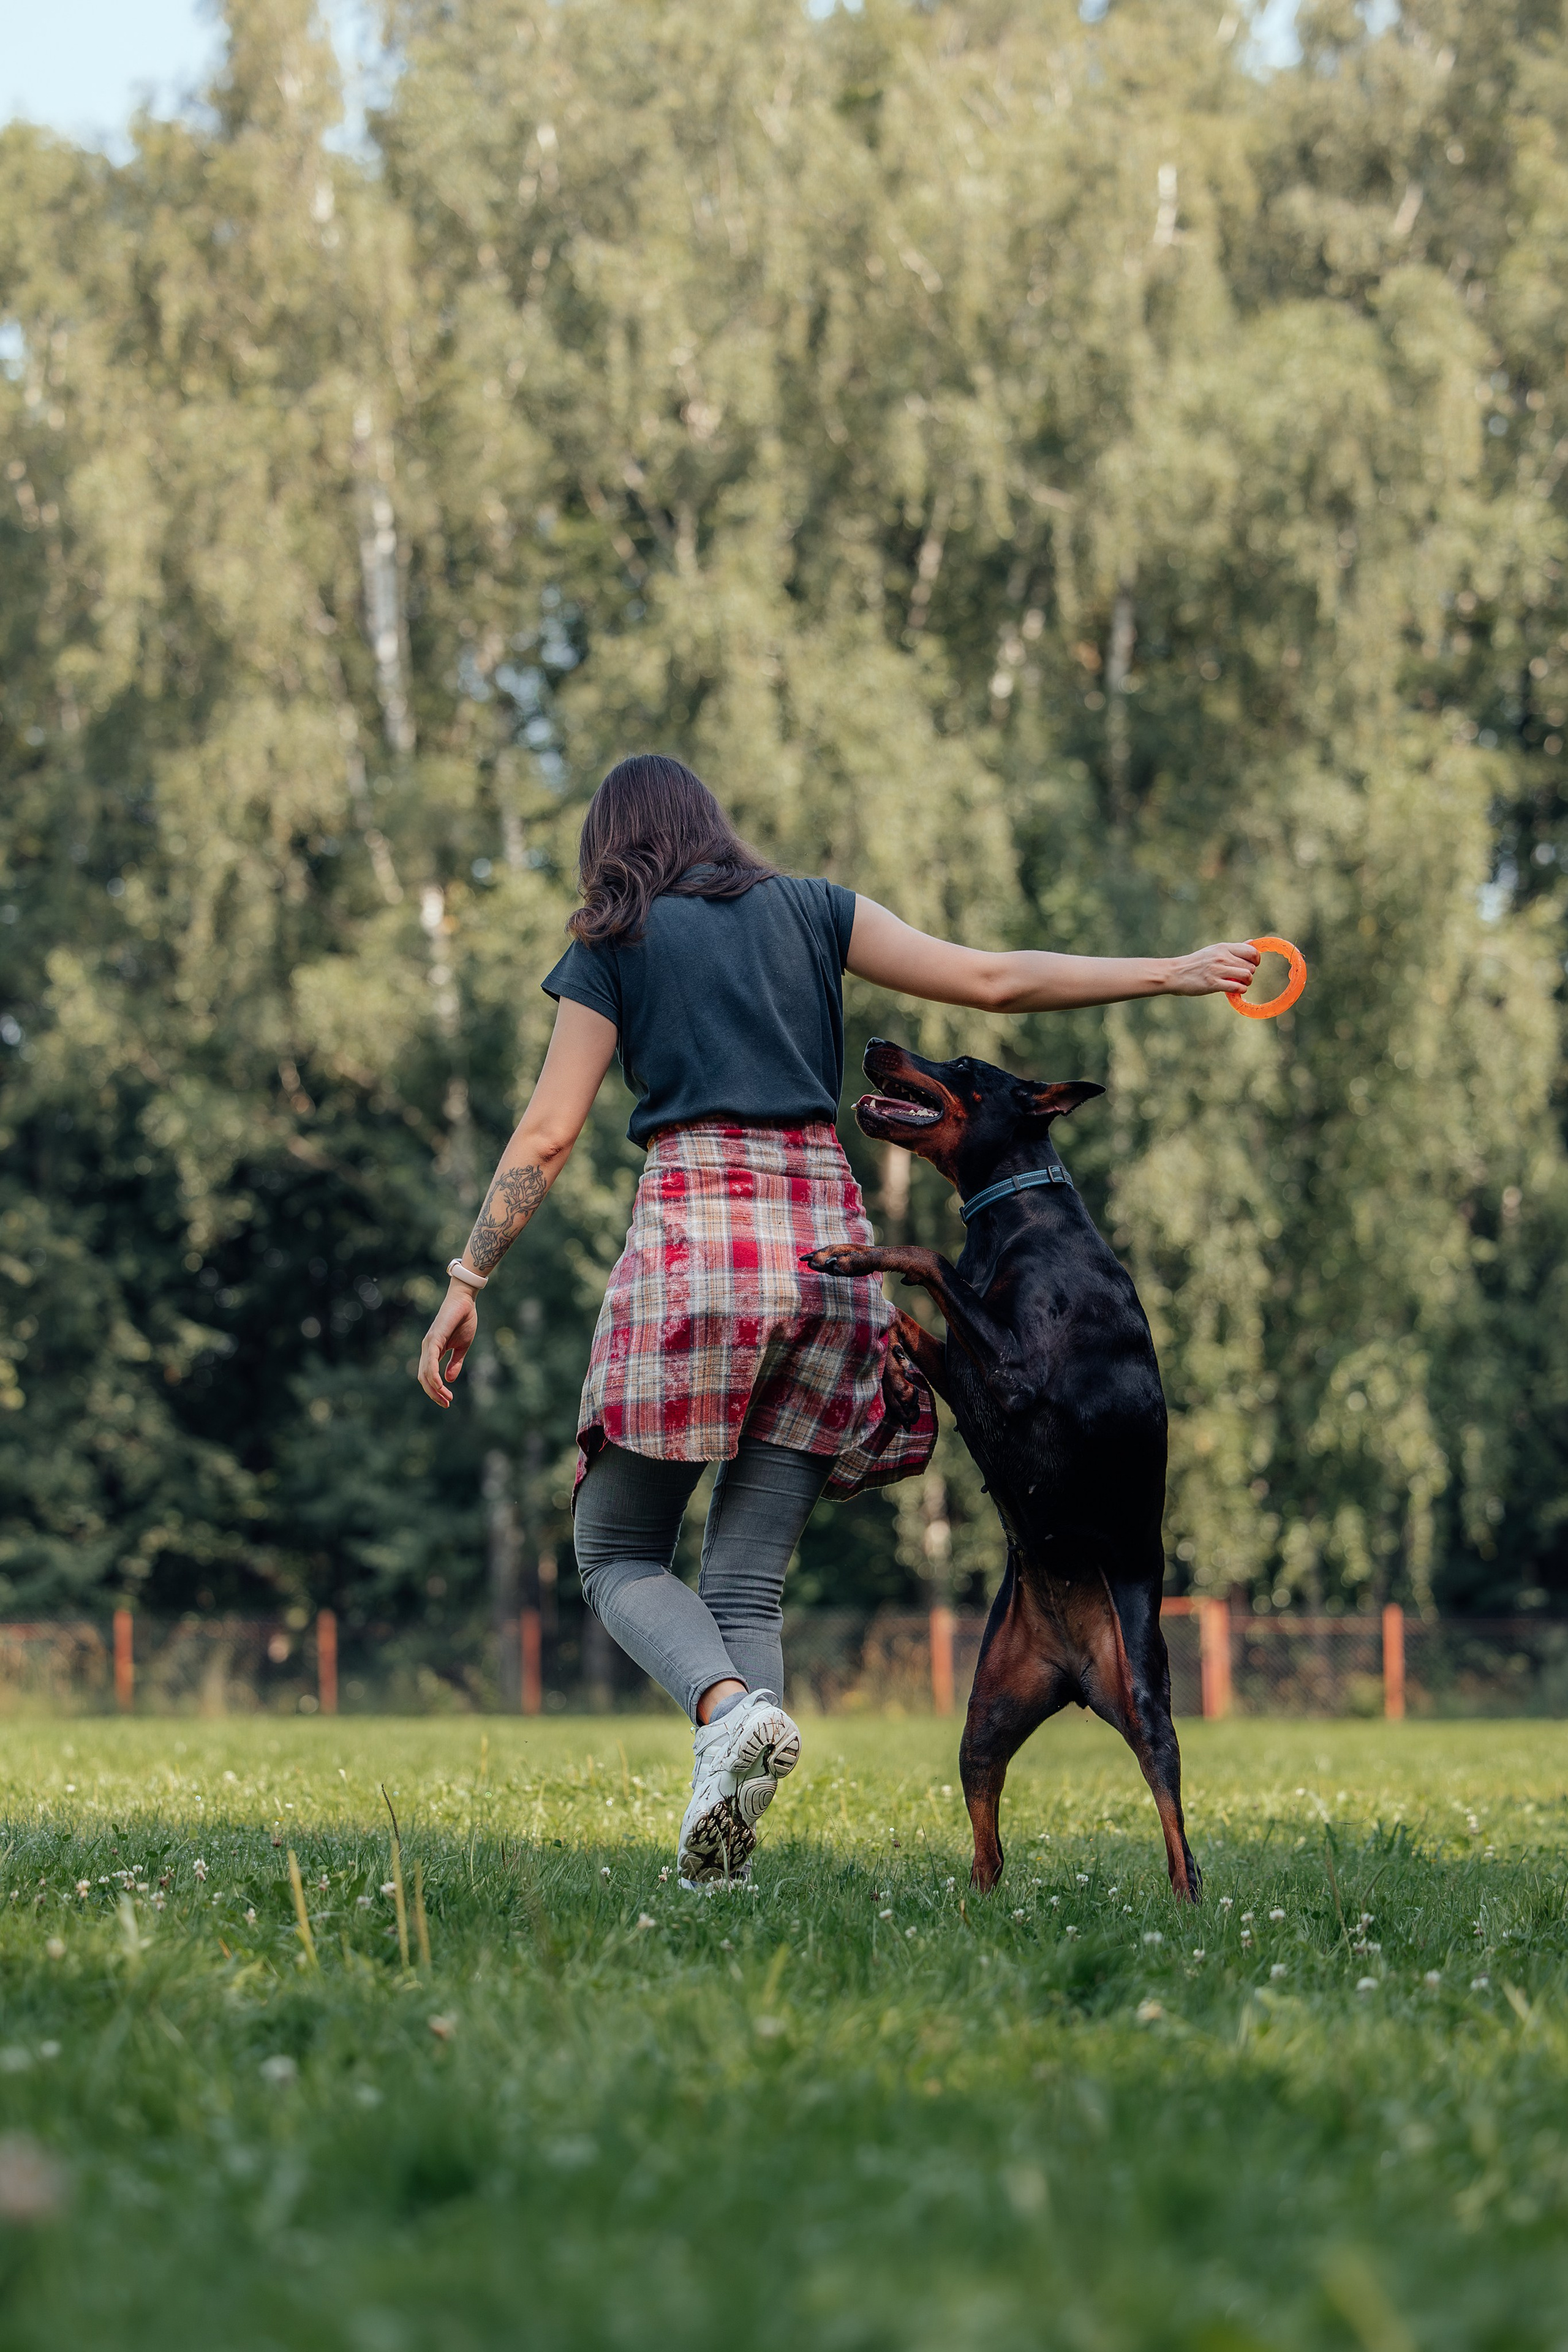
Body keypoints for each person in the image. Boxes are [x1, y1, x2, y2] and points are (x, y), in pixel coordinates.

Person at [417, 754, 1259, 1887]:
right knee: (747, 1582)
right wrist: (1175, 970)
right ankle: (726, 1858)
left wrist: (469, 1275)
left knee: (616, 1551)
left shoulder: (612, 943)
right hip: (826, 1247)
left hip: (701, 1246)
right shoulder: (812, 910)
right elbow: (994, 979)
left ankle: (723, 1712)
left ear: (613, 845)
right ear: (709, 826)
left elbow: (548, 1133)